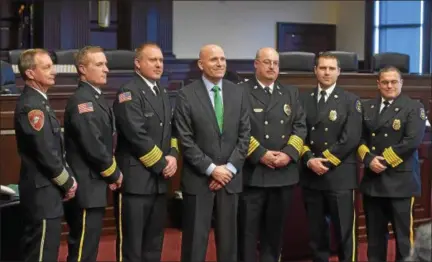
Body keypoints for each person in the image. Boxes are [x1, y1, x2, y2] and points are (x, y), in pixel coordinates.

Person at [174, 44, 250, 262]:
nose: (220, 64)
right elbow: (185, 140)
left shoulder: (238, 92)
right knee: (195, 244)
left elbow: (245, 135)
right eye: (214, 59)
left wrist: (229, 169)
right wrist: (212, 170)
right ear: (201, 64)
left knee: (229, 246)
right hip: (199, 181)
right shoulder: (186, 95)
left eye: (223, 59)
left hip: (230, 179)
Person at [238, 47, 307, 262]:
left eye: (275, 63)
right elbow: (237, 129)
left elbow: (300, 126)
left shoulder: (290, 93)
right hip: (253, 174)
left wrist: (288, 154)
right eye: (267, 62)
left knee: (274, 234)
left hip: (282, 174)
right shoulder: (240, 92)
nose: (272, 67)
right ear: (256, 64)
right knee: (247, 234)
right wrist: (260, 154)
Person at [113, 43, 179, 262]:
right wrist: (163, 164)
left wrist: (173, 156)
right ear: (138, 63)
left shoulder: (162, 92)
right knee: (132, 246)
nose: (159, 64)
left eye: (161, 60)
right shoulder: (128, 92)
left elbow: (171, 130)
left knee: (154, 244)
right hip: (136, 182)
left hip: (159, 184)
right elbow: (136, 135)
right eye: (153, 60)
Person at [357, 66, 426, 262]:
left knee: (404, 239)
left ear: (401, 83)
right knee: (374, 239)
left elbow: (412, 141)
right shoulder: (367, 107)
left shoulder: (414, 107)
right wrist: (369, 159)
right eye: (385, 82)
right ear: (378, 84)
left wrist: (384, 160)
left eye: (394, 82)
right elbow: (359, 138)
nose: (389, 86)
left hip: (400, 182)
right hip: (373, 182)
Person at [14, 48, 77, 261]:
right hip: (41, 194)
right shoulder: (32, 106)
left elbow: (56, 149)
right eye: (47, 67)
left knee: (47, 250)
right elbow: (45, 153)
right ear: (30, 73)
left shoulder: (40, 101)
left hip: (48, 192)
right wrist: (67, 182)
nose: (54, 72)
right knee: (40, 254)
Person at [299, 52, 362, 262]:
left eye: (331, 68)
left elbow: (350, 138)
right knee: (316, 233)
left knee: (344, 231)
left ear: (339, 72)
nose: (327, 72)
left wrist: (324, 161)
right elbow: (298, 133)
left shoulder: (350, 100)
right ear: (315, 70)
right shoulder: (303, 99)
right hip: (312, 175)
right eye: (323, 68)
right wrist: (309, 159)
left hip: (339, 176)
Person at [63, 46, 123, 262]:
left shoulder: (94, 97)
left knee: (89, 246)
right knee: (83, 249)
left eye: (105, 64)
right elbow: (93, 145)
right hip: (86, 187)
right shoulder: (83, 101)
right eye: (99, 64)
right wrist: (113, 173)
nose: (106, 69)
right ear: (82, 69)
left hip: (94, 186)